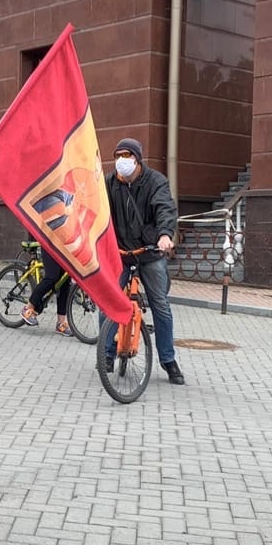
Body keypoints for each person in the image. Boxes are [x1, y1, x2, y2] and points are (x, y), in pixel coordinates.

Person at [104, 137, 184, 385]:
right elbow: (97, 211)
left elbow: (164, 208)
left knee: (160, 304)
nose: (122, 161)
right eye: (118, 156)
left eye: (127, 156)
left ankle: (168, 360)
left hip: (149, 252)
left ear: (138, 160)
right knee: (108, 301)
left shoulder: (155, 181)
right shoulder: (108, 183)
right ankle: (106, 353)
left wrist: (164, 235)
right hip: (119, 253)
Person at [22, 245, 73, 335]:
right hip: (50, 245)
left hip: (64, 248)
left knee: (65, 282)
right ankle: (27, 308)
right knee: (52, 277)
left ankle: (60, 323)